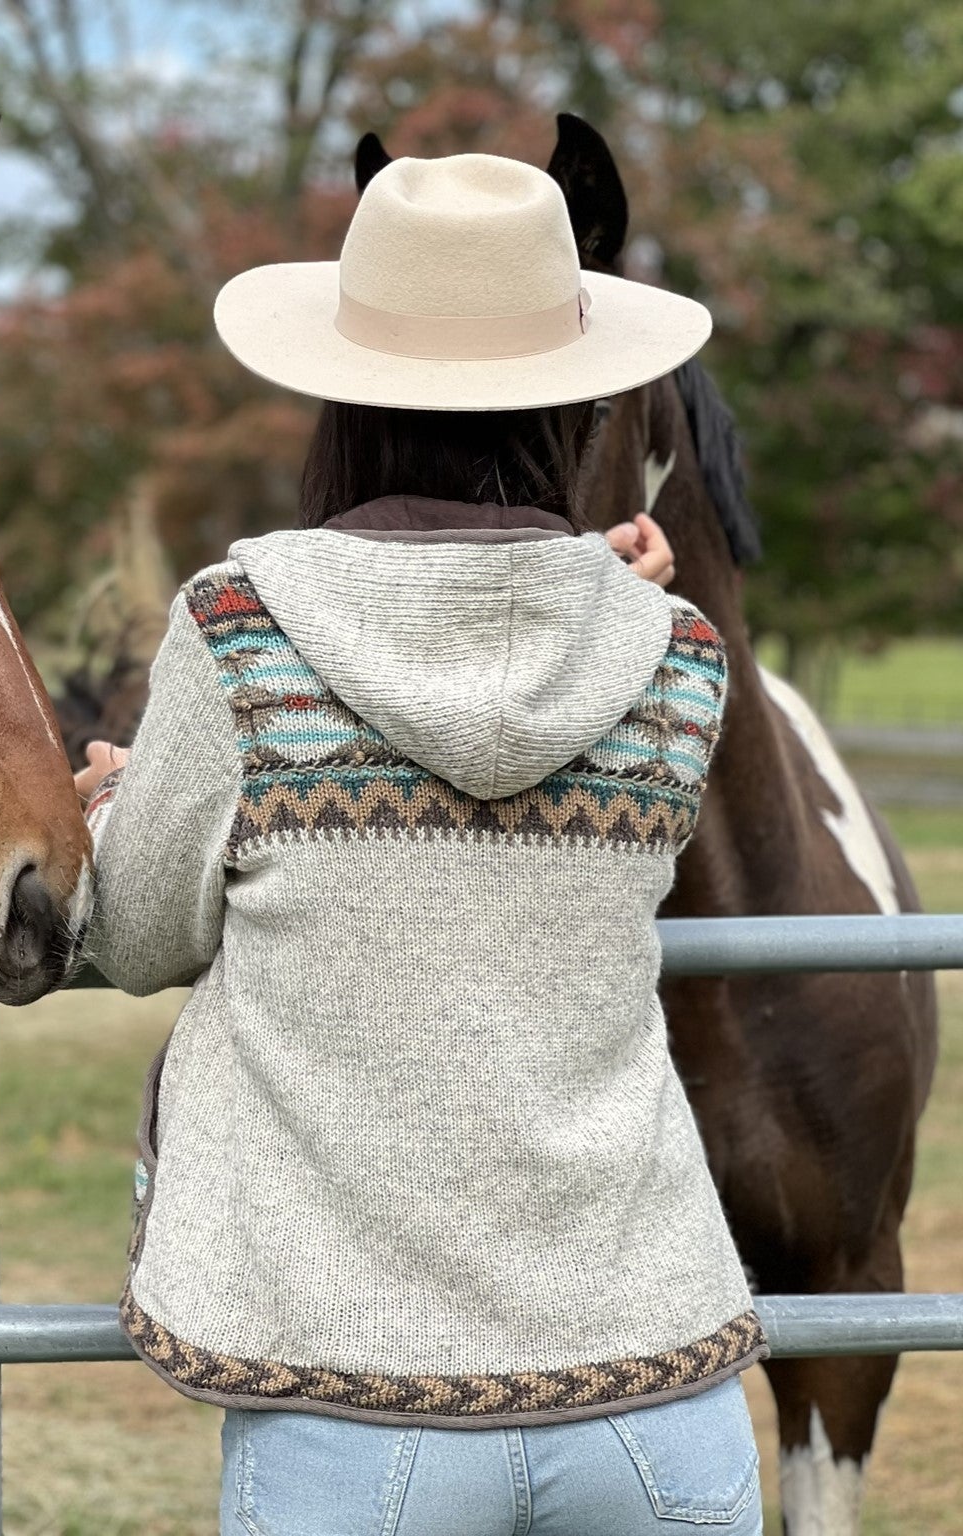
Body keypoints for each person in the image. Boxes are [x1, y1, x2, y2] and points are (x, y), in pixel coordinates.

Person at [77, 152, 764, 1535]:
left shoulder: (239, 630)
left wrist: (121, 800)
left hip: (355, 1402)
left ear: (342, 389)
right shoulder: (677, 656)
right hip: (653, 1387)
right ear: (576, 398)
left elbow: (135, 931)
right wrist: (605, 594)